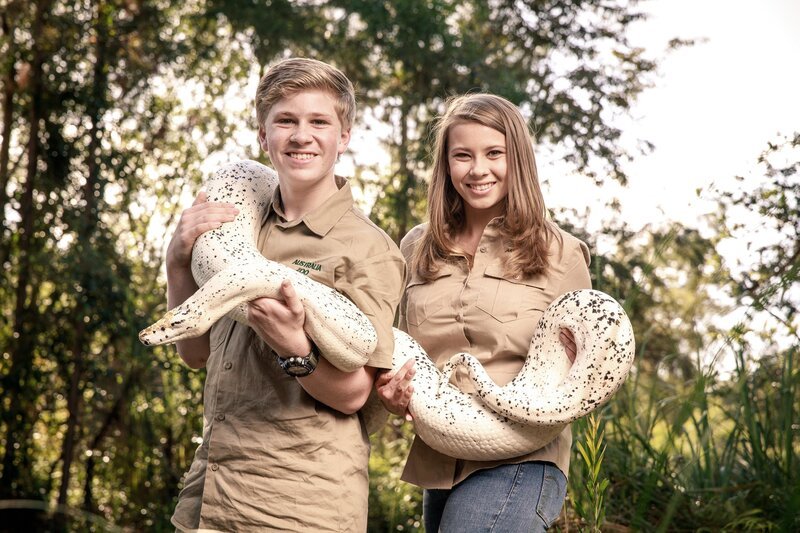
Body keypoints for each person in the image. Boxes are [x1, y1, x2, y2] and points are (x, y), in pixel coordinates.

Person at [166, 57, 406, 532]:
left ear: (345, 137)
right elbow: (194, 354)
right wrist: (177, 259)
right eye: (286, 121)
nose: (301, 136)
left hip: (299, 506)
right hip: (209, 496)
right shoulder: (234, 229)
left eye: (319, 121)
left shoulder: (369, 248)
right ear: (263, 135)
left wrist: (294, 347)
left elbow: (356, 395)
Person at [376, 93, 591, 532]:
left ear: (519, 160)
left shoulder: (561, 253)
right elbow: (402, 351)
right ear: (446, 165)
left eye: (495, 153)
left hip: (520, 459)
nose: (478, 169)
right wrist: (392, 393)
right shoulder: (416, 248)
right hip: (441, 459)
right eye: (463, 155)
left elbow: (590, 375)